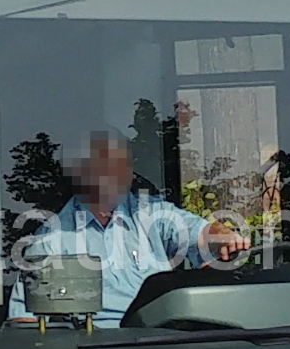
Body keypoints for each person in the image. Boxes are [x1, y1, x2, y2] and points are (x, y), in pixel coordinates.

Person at [17, 126, 247, 327]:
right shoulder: (50, 240)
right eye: (107, 165)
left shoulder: (150, 212)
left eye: (124, 164)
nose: (119, 174)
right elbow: (23, 324)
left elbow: (198, 231)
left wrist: (222, 237)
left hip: (165, 341)